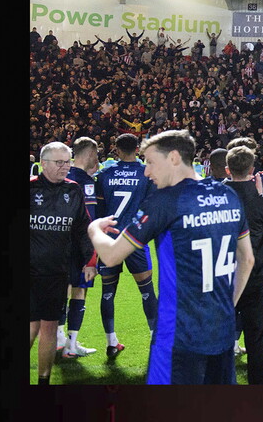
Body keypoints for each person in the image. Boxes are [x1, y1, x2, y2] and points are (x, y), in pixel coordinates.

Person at [88, 129, 254, 384]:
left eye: (151, 162)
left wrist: (94, 229)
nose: (146, 171)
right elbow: (247, 260)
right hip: (221, 329)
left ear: (174, 158)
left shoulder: (164, 201)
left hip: (178, 335)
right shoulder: (227, 195)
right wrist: (227, 306)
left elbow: (110, 256)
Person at [30, 142, 94, 385]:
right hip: (29, 271)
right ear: (43, 164)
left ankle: (43, 382)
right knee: (31, 327)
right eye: (59, 162)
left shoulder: (74, 190)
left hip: (58, 272)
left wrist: (89, 262)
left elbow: (81, 229)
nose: (65, 166)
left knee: (49, 327)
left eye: (67, 161)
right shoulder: (30, 188)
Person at [94, 133, 157, 360]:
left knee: (108, 291)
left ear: (117, 149)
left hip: (110, 240)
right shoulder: (146, 175)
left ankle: (111, 342)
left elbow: (99, 212)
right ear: (138, 149)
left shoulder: (105, 175)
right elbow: (150, 209)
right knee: (147, 290)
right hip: (135, 240)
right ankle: (155, 338)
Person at [223, 145, 263, 384]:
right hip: (255, 278)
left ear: (228, 170)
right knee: (256, 340)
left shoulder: (217, 196)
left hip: (223, 277)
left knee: (219, 336)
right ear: (252, 169)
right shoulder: (261, 202)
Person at [59, 137, 101, 358]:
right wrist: (92, 256)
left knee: (62, 289)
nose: (98, 157)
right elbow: (90, 221)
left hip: (60, 245)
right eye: (96, 153)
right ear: (90, 153)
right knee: (79, 290)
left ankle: (59, 338)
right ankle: (71, 344)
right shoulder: (85, 182)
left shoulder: (63, 176)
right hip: (82, 248)